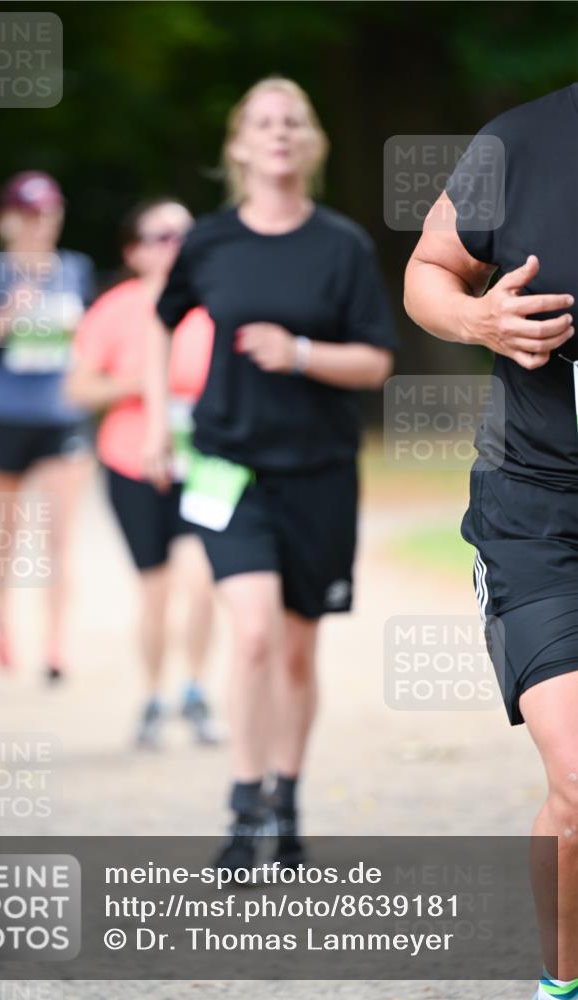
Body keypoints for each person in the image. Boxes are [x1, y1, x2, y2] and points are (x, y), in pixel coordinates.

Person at [143, 77, 396, 869]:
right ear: (240, 144)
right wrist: (158, 422)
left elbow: (377, 363)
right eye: (262, 122)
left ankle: (287, 794)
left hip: (318, 472)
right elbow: (160, 324)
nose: (278, 133)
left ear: (310, 142)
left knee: (294, 649)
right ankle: (243, 803)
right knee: (248, 634)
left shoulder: (341, 245)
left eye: (293, 121)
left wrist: (302, 354)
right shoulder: (210, 242)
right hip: (227, 466)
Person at [404, 83, 578, 999]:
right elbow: (428, 268)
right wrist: (477, 318)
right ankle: (563, 982)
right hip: (542, 509)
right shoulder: (520, 141)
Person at [68, 199, 218, 747]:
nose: (177, 246)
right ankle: (154, 697)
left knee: (201, 584)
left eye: (185, 233)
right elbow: (77, 388)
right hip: (132, 465)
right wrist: (138, 383)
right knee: (155, 593)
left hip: (204, 465)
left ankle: (197, 691)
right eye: (162, 237)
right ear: (134, 252)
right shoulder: (115, 309)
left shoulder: (215, 304)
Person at [0, 171, 96, 682]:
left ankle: (56, 645)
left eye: (48, 214)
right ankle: (2, 622)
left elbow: (90, 343)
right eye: (29, 215)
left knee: (59, 535)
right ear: (7, 221)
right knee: (8, 533)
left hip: (62, 418)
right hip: (7, 417)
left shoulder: (75, 269)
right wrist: (9, 313)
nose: (40, 225)